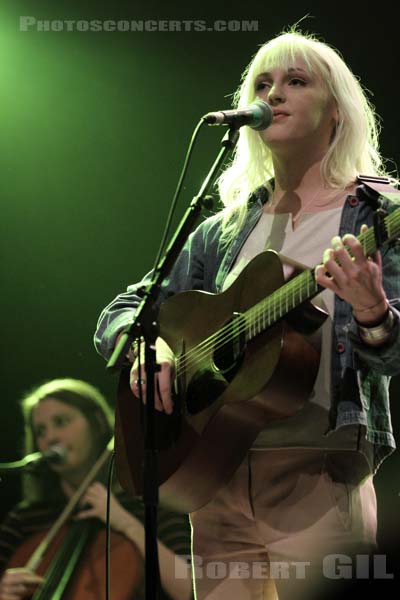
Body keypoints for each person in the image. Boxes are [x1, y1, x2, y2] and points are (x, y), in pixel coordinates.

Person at [94, 28, 400, 599]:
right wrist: (152, 350)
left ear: (336, 109)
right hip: (214, 473)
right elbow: (125, 308)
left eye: (294, 81)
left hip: (318, 477)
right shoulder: (224, 228)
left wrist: (372, 310)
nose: (273, 94)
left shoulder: (379, 215)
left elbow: (392, 356)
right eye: (262, 83)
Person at [0, 378, 193, 600]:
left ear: (96, 422)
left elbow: (189, 588)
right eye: (41, 431)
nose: (50, 437)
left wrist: (126, 523)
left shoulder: (151, 502)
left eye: (61, 422)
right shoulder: (24, 520)